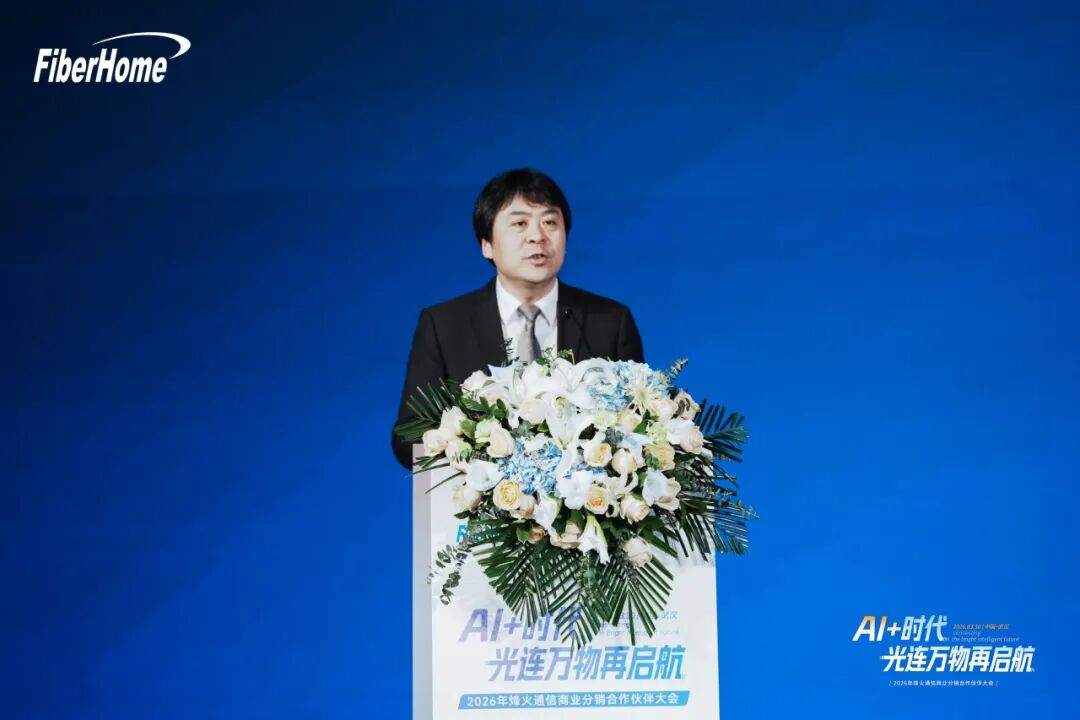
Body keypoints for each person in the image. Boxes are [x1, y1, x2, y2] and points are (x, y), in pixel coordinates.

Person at [391, 168, 644, 469]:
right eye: (519, 223)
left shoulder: (610, 321)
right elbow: (407, 436)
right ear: (486, 244)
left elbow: (640, 424)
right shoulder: (444, 325)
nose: (537, 236)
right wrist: (470, 446)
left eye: (550, 222)